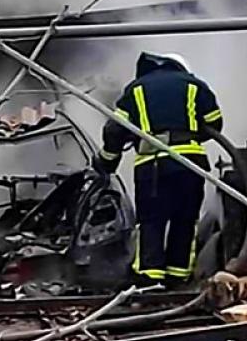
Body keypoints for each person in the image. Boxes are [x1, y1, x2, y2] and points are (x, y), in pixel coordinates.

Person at [93, 52, 223, 286]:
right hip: (189, 165)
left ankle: (149, 278)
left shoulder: (136, 89)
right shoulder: (195, 85)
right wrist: (187, 133)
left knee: (152, 220)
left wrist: (107, 161)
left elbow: (115, 130)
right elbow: (214, 122)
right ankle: (178, 277)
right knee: (185, 219)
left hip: (151, 167)